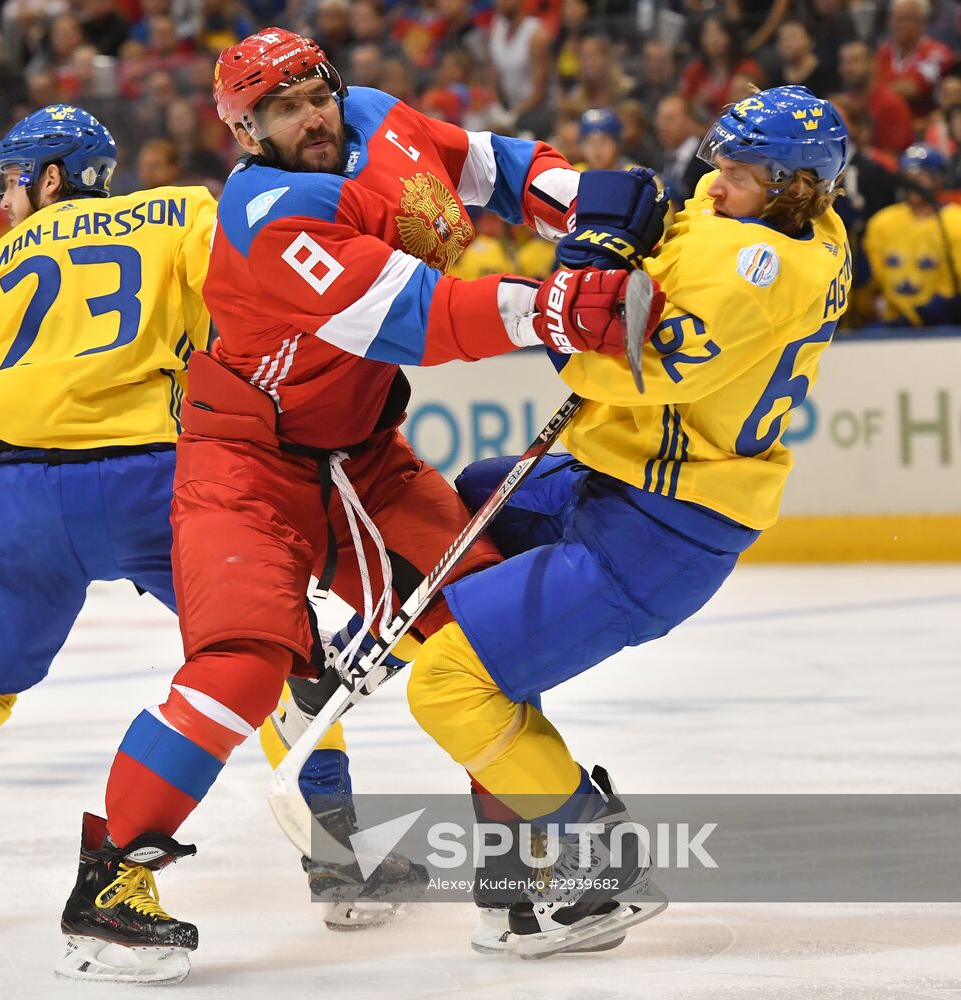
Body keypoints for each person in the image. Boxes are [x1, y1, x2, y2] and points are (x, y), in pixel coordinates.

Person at [69, 27, 665, 984]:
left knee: (488, 631)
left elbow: (496, 167)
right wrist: (553, 306)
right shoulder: (268, 213)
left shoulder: (384, 121)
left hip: (363, 455)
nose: (311, 116)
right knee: (239, 668)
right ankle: (108, 889)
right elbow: (414, 316)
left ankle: (516, 896)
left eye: (317, 94)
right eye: (281, 108)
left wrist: (581, 212)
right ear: (244, 131)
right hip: (246, 466)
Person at [0, 104, 399, 959]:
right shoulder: (181, 211)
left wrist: (25, 483)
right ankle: (337, 858)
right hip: (163, 475)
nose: (5, 201)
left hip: (22, 494)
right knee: (270, 650)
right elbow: (245, 312)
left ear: (48, 176)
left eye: (12, 181)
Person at [404, 85, 852, 958]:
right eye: (715, 163)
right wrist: (642, 230)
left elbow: (605, 368)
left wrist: (586, 264)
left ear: (796, 186)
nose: (715, 184)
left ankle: (598, 861)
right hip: (618, 483)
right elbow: (695, 240)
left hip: (658, 533)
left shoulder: (751, 273)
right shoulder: (815, 234)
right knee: (468, 495)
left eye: (742, 173)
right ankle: (514, 861)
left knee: (448, 686)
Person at [863, 143, 961, 324]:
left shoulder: (955, 221)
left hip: (942, 323)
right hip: (893, 324)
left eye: (921, 176)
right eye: (909, 177)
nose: (913, 183)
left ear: (938, 178)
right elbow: (870, 284)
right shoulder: (882, 222)